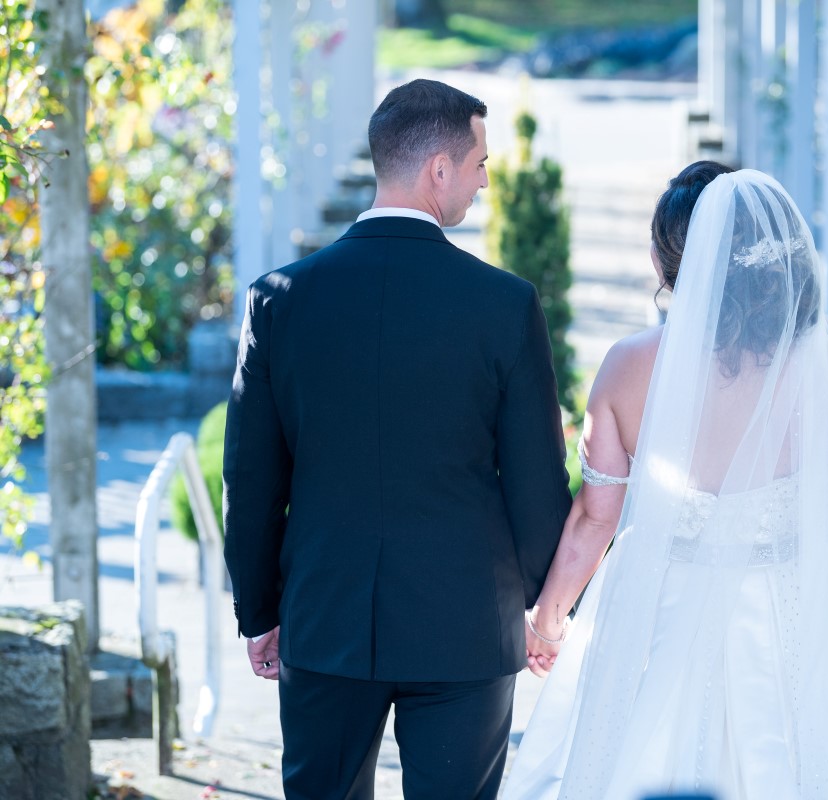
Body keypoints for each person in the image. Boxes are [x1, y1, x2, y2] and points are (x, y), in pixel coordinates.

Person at [503, 163, 828, 799]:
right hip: (792, 615)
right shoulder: (819, 363)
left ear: (663, 260)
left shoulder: (629, 367)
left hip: (661, 613)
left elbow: (596, 516)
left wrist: (551, 617)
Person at [222, 79, 572, 800]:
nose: (482, 181)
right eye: (478, 164)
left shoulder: (279, 300)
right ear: (437, 170)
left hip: (326, 619)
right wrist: (548, 604)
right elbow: (538, 482)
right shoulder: (505, 305)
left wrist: (259, 611)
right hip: (468, 625)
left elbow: (251, 480)